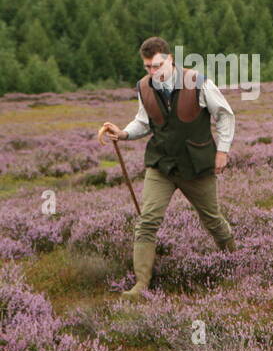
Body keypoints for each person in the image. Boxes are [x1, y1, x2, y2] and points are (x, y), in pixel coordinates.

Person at [97, 36, 237, 300]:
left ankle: (235, 260)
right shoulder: (144, 87)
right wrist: (123, 133)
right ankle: (141, 285)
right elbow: (144, 121)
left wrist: (223, 150)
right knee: (147, 221)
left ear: (170, 59)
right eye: (148, 67)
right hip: (161, 164)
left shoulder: (198, 82)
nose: (153, 71)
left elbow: (225, 115)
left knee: (212, 220)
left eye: (158, 65)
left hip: (196, 165)